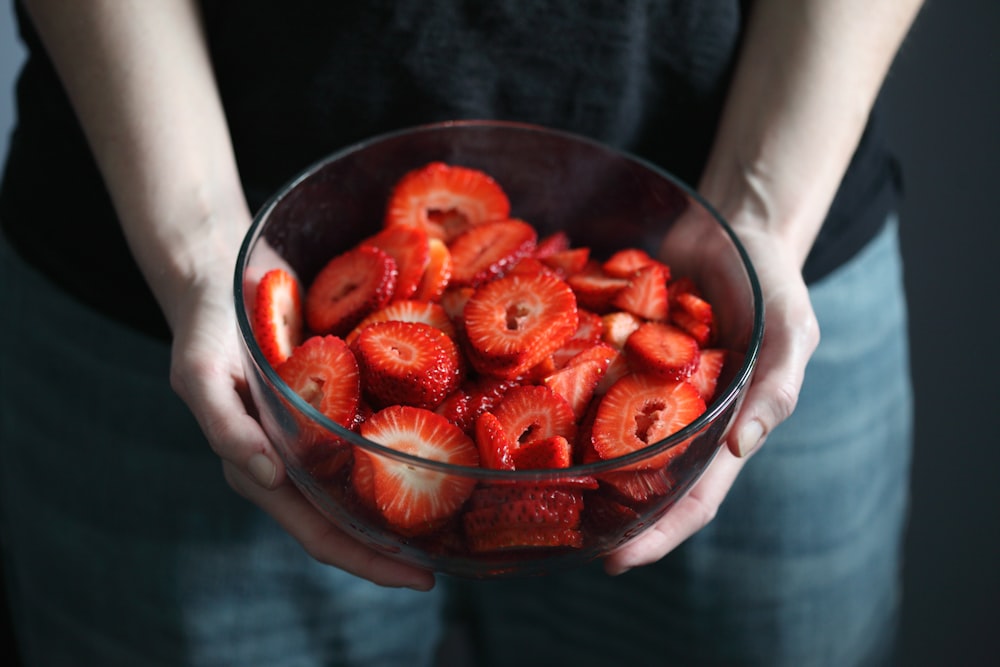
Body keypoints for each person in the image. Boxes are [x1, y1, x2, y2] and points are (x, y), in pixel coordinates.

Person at [0, 1, 922, 665]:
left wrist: (761, 211)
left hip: (762, 267)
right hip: (179, 300)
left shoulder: (631, 343)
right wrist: (197, 238)